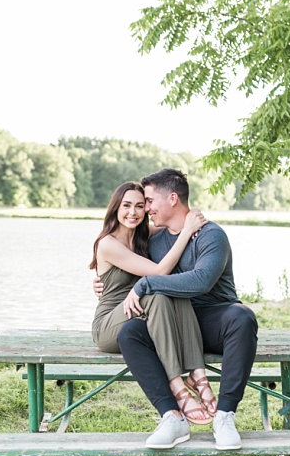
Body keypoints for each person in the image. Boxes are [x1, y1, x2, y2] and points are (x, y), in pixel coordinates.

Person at [110, 168, 259, 451]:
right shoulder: (154, 241)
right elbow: (130, 270)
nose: (146, 208)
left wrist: (145, 285)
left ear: (173, 199)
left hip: (213, 318)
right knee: (130, 332)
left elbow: (201, 281)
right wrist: (102, 285)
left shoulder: (211, 235)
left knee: (242, 317)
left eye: (150, 201)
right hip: (173, 324)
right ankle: (172, 416)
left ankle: (225, 416)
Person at [90, 182, 213, 434]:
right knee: (158, 288)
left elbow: (180, 213)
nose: (132, 213)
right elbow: (158, 272)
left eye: (139, 206)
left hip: (136, 317)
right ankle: (177, 386)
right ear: (115, 208)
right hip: (108, 327)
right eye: (126, 206)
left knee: (173, 289)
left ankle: (197, 375)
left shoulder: (143, 234)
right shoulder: (108, 244)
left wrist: (191, 217)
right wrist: (188, 231)